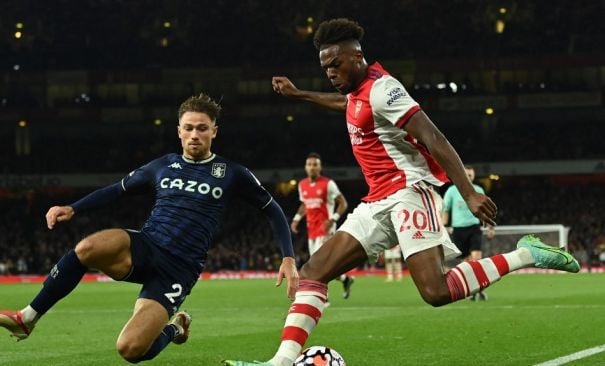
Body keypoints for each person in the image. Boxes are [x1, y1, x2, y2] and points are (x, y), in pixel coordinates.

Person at [223, 18, 580, 366]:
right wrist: (299, 93)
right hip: (377, 198)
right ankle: (281, 362)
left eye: (335, 64)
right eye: (324, 67)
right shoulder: (356, 93)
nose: (329, 72)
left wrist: (468, 192)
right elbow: (347, 106)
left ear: (357, 57)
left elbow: (433, 137)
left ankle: (525, 254)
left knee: (436, 292)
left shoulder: (384, 90)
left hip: (410, 191)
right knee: (314, 271)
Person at [0, 94, 299, 364]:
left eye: (202, 128)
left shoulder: (232, 173)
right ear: (179, 131)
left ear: (215, 131)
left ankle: (175, 328)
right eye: (188, 128)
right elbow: (116, 190)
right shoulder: (161, 166)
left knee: (130, 350)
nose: (195, 135)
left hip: (178, 269)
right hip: (145, 245)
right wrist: (72, 207)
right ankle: (27, 319)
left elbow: (272, 210)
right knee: (87, 248)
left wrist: (287, 257)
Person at [291, 152, 352, 300]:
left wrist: (333, 219)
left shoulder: (328, 184)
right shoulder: (302, 185)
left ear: (320, 167)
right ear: (305, 167)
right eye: (309, 165)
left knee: (318, 263)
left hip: (326, 229)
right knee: (321, 264)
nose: (312, 167)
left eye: (315, 165)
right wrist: (296, 219)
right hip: (311, 230)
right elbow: (305, 204)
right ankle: (345, 279)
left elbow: (343, 203)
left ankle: (323, 298)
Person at [442, 165, 494, 300]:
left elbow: (484, 210)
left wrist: (490, 227)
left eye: (471, 175)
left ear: (474, 176)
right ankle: (472, 290)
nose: (469, 177)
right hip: (458, 230)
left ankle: (479, 289)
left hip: (474, 228)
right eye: (467, 175)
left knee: (476, 259)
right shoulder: (452, 191)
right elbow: (446, 209)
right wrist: (443, 227)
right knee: (466, 263)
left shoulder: (478, 190)